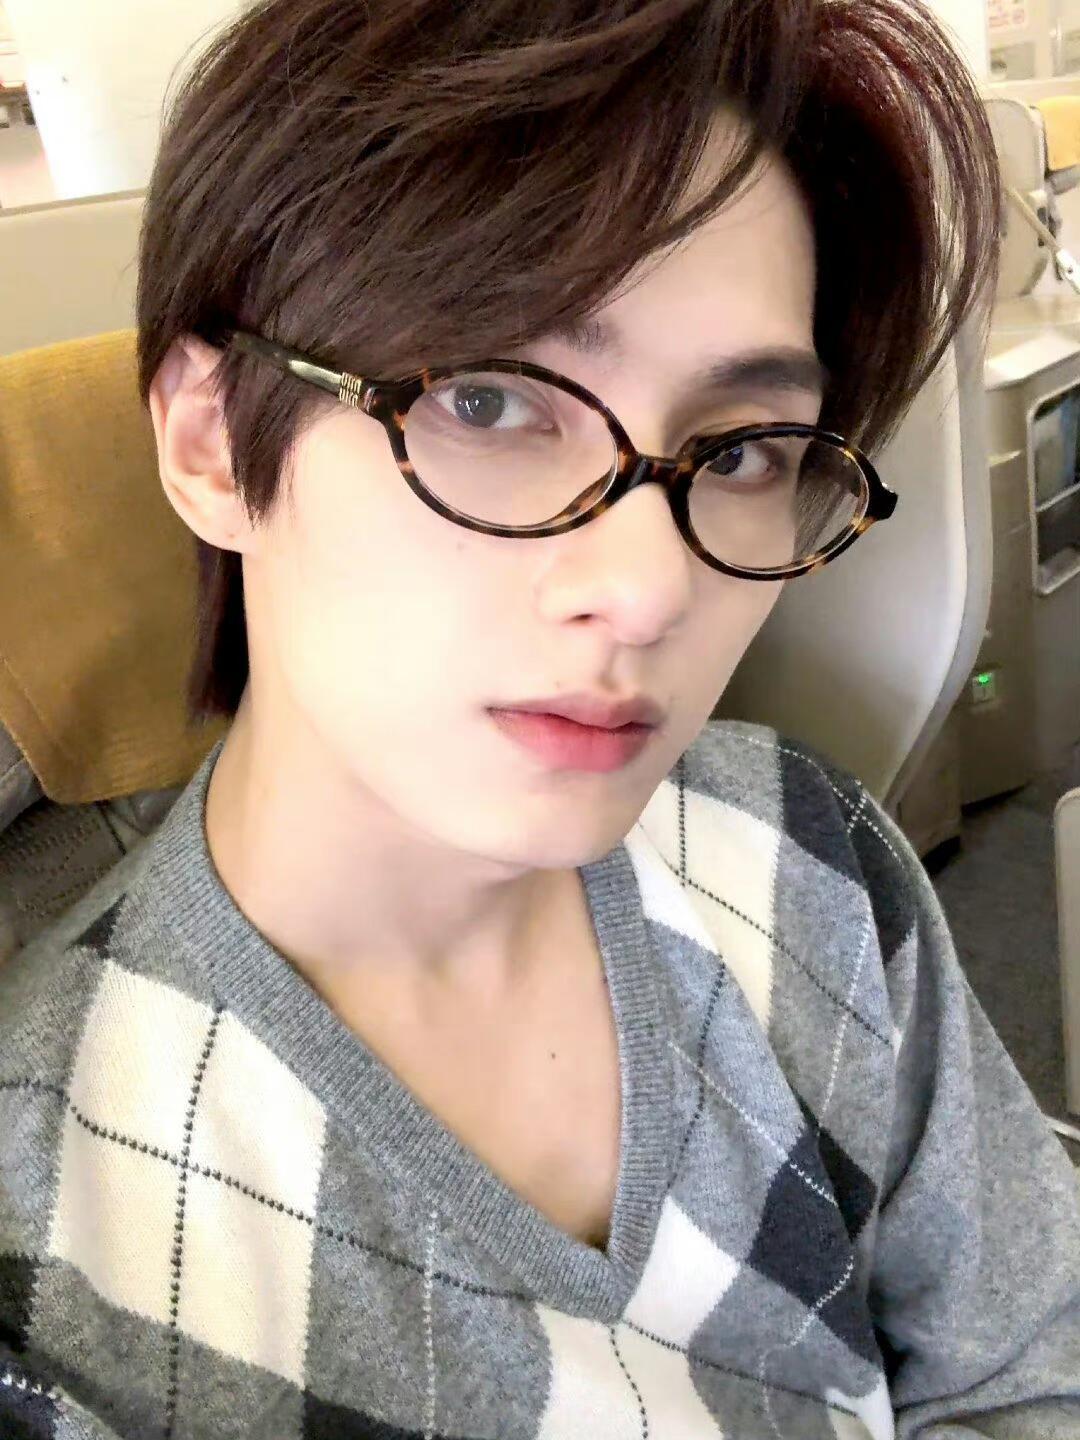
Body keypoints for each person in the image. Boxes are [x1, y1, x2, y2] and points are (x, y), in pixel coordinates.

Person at [2, 0, 1078, 1435]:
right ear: (209, 443)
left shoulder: (805, 855)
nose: (649, 589)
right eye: (490, 405)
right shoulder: (56, 1263)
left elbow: (1029, 1370)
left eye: (740, 452)